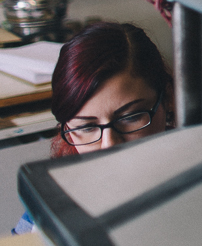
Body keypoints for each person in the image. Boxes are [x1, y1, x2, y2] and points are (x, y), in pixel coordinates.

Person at [12, 22, 174, 235]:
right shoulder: (52, 202)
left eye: (131, 117)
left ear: (168, 98)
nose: (109, 145)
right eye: (87, 127)